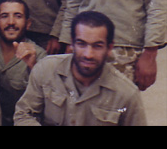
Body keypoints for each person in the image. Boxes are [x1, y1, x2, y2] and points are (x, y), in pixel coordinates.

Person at [14, 11, 147, 126]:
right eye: (81, 44)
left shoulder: (126, 94)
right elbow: (24, 114)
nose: (88, 54)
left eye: (97, 46)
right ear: (72, 43)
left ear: (109, 48)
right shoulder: (46, 69)